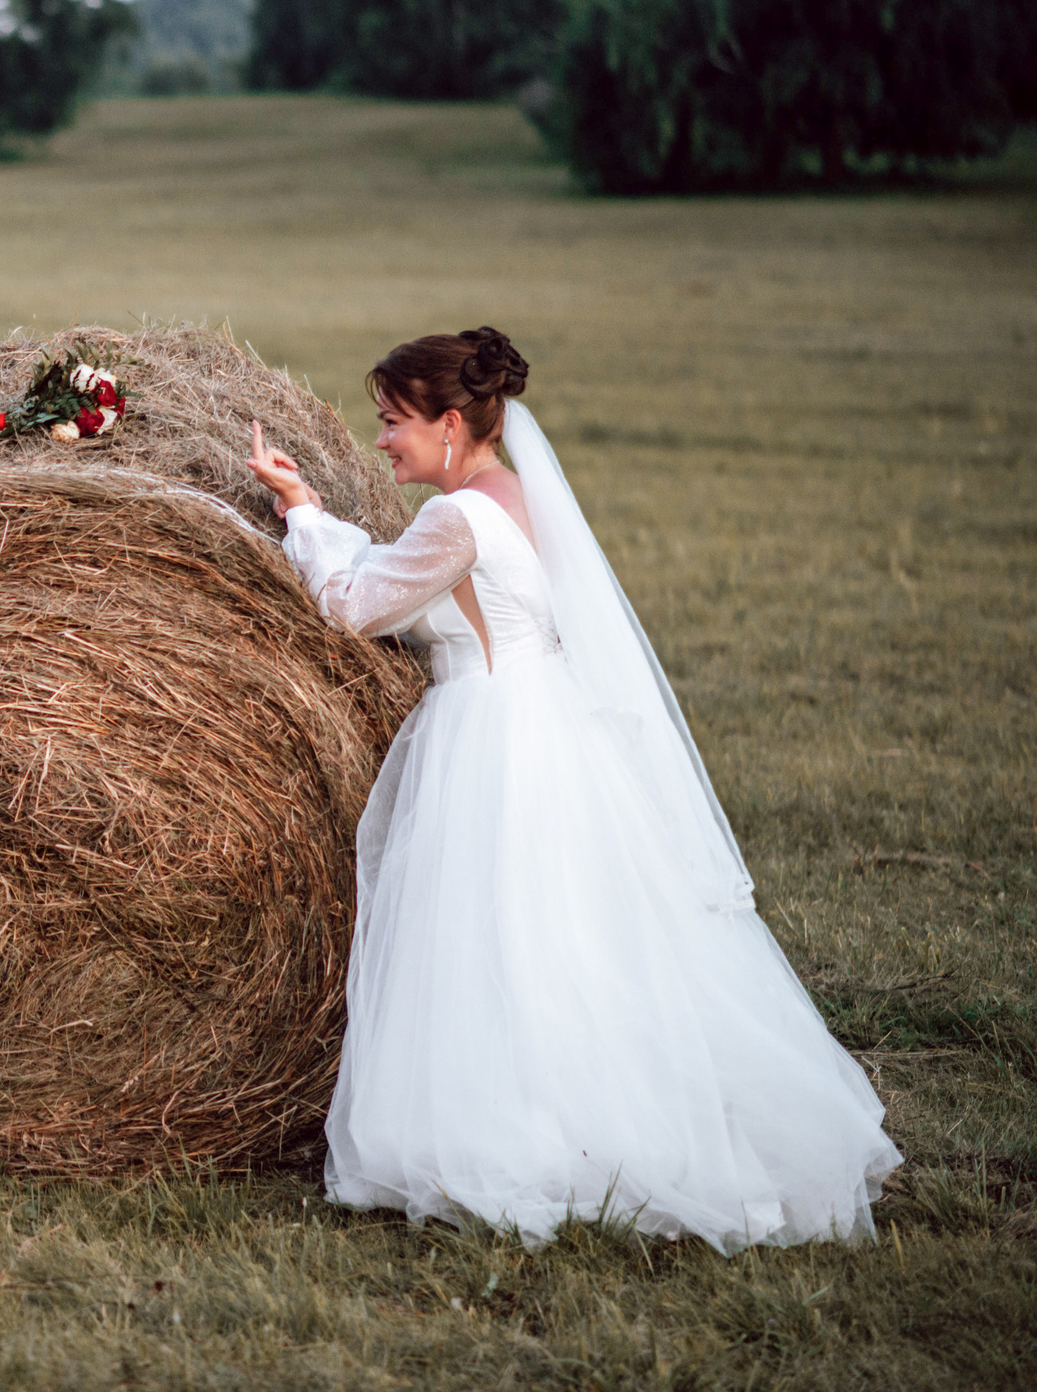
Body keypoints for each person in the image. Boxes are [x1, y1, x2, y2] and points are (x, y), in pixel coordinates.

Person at [245, 327, 899, 1252]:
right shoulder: (510, 495)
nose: (382, 439)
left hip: (489, 735)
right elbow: (403, 582)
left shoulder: (456, 519)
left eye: (393, 421)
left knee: (489, 938)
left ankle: (528, 1141)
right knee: (563, 936)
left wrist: (302, 514)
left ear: (448, 421)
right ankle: (591, 1117)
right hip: (550, 726)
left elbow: (355, 604)